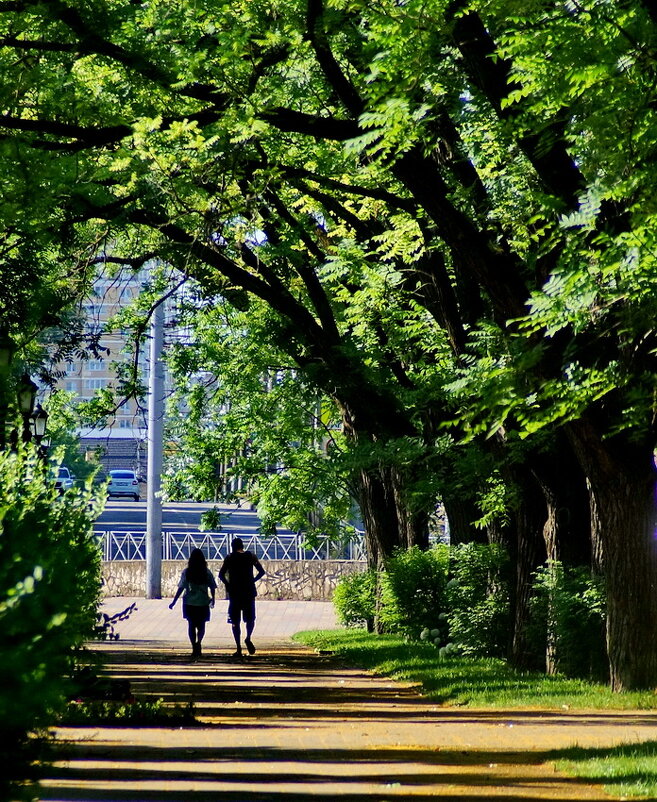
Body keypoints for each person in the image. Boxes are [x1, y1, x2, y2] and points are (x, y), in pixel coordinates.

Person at [218, 537, 265, 658]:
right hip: (249, 592)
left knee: (235, 621)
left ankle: (238, 648)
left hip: (235, 593)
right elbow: (261, 571)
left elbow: (221, 574)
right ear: (242, 546)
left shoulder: (229, 558)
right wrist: (252, 581)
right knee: (250, 619)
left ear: (232, 546)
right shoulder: (251, 556)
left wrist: (228, 584)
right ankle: (248, 637)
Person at [169, 547, 217, 659]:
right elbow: (213, 587)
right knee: (201, 625)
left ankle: (193, 646)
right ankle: (199, 642)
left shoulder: (187, 572)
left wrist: (174, 601)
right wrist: (213, 599)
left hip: (189, 603)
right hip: (203, 602)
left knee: (191, 625)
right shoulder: (206, 572)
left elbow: (181, 588)